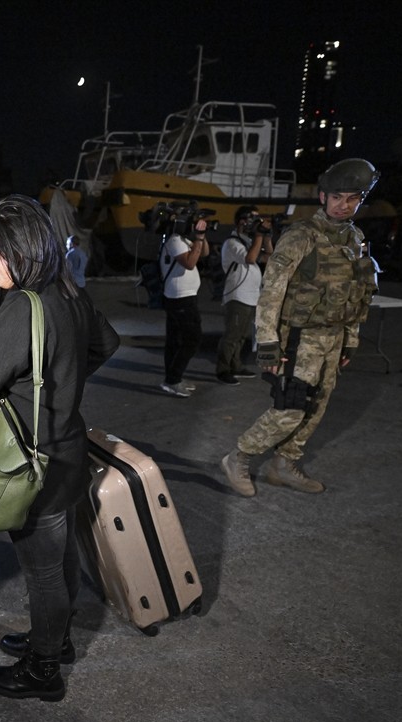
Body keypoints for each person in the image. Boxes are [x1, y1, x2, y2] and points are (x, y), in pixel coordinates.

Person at [0, 195, 119, 701]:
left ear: (23, 248)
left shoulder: (21, 308)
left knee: (43, 571)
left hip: (31, 461)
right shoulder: (67, 289)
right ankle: (57, 639)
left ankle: (43, 669)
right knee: (61, 552)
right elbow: (106, 344)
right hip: (68, 451)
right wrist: (58, 384)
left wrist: (26, 390)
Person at [220, 158, 381, 497]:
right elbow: (271, 291)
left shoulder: (354, 238)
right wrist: (268, 344)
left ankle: (284, 464)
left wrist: (350, 339)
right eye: (337, 197)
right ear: (323, 197)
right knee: (290, 409)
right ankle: (239, 457)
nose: (344, 205)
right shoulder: (301, 236)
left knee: (317, 407)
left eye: (352, 198)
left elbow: (358, 293)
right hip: (300, 339)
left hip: (333, 338)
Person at [157, 213, 211, 397]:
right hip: (180, 297)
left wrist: (202, 237)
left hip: (184, 296)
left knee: (175, 340)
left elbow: (205, 253)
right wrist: (199, 238)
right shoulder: (175, 241)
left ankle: (172, 379)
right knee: (192, 339)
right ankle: (173, 379)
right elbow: (190, 263)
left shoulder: (185, 240)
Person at [215, 206, 270, 384]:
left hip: (251, 296)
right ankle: (223, 370)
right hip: (237, 296)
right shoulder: (232, 243)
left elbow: (268, 257)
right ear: (241, 222)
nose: (256, 223)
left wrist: (266, 236)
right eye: (253, 219)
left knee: (241, 336)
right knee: (231, 336)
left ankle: (236, 366)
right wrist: (259, 235)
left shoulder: (248, 241)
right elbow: (250, 259)